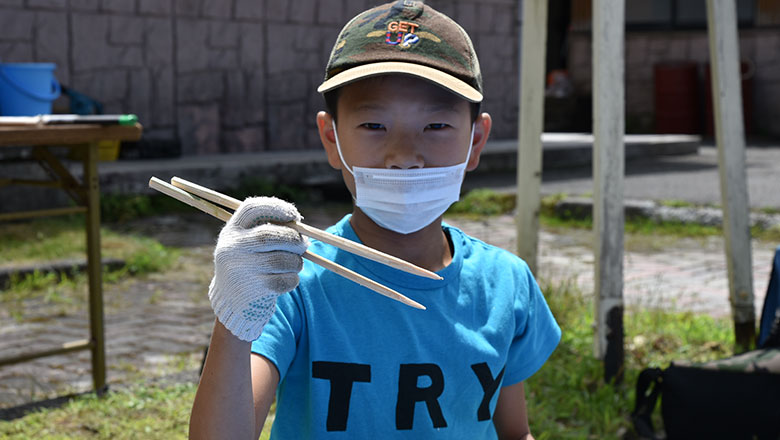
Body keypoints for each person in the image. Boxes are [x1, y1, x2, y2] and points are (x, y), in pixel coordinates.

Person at [189, 1, 561, 439]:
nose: (404, 156)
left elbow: (513, 431)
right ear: (332, 138)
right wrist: (235, 313)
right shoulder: (291, 284)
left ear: (475, 140)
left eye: (436, 125)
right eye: (373, 125)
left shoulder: (506, 284)